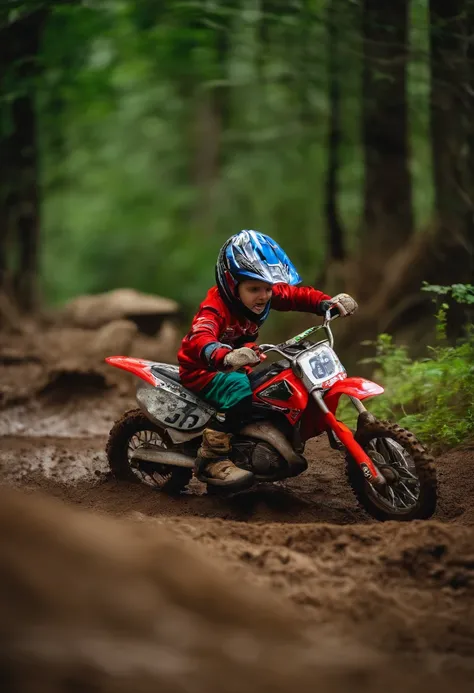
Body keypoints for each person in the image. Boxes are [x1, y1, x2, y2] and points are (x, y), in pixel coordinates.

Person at [178, 230, 358, 490]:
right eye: (254, 289)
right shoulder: (214, 308)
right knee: (239, 390)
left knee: (274, 384)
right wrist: (224, 355)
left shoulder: (263, 294)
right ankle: (212, 457)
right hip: (204, 370)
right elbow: (200, 337)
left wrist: (326, 303)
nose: (263, 296)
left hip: (240, 363)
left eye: (267, 288)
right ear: (231, 284)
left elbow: (295, 295)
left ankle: (261, 441)